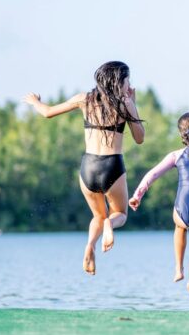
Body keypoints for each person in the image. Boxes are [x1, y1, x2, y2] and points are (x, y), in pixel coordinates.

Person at [23, 61, 144, 275]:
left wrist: (35, 102)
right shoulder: (125, 103)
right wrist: (132, 103)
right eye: (128, 80)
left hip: (88, 167)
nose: (129, 85)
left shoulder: (84, 99)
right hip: (112, 165)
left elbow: (48, 112)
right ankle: (109, 226)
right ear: (119, 81)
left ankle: (90, 245)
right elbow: (139, 138)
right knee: (120, 214)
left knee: (97, 215)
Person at [129, 112, 189, 310]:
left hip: (181, 206)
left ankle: (178, 268)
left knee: (179, 228)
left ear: (181, 135)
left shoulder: (175, 156)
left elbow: (152, 174)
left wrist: (137, 195)